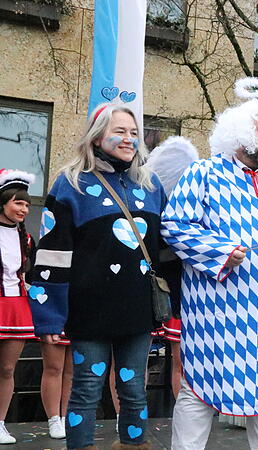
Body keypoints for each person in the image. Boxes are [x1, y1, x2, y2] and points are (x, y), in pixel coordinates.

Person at [161, 78, 258, 450]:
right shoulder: (203, 174)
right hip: (216, 311)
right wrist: (220, 251)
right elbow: (174, 225)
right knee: (200, 387)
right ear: (239, 134)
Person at [28, 103, 165, 450]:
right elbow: (52, 255)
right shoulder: (70, 184)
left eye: (134, 133)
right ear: (97, 134)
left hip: (137, 309)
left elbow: (167, 248)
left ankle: (134, 446)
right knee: (87, 387)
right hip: (88, 310)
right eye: (119, 131)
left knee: (134, 389)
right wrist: (49, 317)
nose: (128, 139)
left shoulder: (149, 186)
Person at [144, 136, 200, 401]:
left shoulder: (193, 208)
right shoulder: (152, 204)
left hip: (183, 290)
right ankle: (128, 414)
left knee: (183, 360)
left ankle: (184, 408)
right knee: (138, 359)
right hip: (157, 287)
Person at [0, 169, 39, 444]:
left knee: (7, 370)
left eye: (26, 204)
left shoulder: (26, 239)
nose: (24, 209)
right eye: (18, 202)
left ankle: (0, 423)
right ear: (3, 202)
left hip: (16, 307)